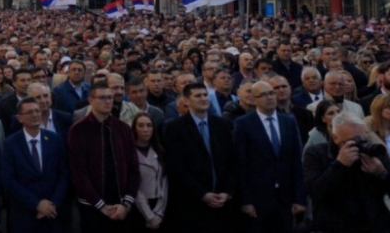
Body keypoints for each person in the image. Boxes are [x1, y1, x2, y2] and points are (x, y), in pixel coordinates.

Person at [232, 81, 306, 233]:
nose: (270, 97)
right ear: (254, 99)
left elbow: (296, 162)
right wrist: (245, 201)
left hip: (285, 199)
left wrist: (299, 198)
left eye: (271, 93)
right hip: (258, 199)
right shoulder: (244, 124)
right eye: (263, 95)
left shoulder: (288, 122)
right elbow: (240, 164)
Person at [163, 83, 238, 233]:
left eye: (205, 95)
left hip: (222, 202)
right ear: (186, 101)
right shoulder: (175, 128)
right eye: (198, 96)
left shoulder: (221, 124)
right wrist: (202, 194)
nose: (203, 98)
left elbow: (232, 161)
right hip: (192, 203)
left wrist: (227, 192)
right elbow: (176, 167)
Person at [303, 111, 390, 232]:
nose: (359, 144)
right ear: (335, 137)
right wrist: (340, 165)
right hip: (336, 225)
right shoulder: (316, 153)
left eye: (362, 138)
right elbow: (315, 192)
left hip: (375, 224)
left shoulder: (374, 152)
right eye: (352, 140)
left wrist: (381, 173)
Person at [68, 82, 139, 232]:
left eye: (110, 97)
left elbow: (133, 167)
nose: (107, 101)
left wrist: (126, 203)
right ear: (91, 100)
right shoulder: (78, 130)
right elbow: (78, 171)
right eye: (102, 98)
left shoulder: (123, 129)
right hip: (92, 206)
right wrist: (100, 205)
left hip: (121, 204)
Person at [2, 97, 68, 233]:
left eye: (37, 111)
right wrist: (36, 204)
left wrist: (53, 203)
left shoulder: (54, 139)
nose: (35, 115)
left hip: (53, 212)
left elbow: (63, 174)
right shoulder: (10, 144)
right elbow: (9, 179)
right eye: (30, 112)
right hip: (24, 215)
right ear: (20, 118)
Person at [130, 113, 167, 233]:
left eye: (149, 125)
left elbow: (164, 183)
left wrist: (159, 212)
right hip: (138, 208)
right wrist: (150, 216)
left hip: (160, 207)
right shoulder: (129, 153)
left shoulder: (160, 151)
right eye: (141, 125)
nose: (145, 129)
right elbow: (134, 187)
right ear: (135, 129)